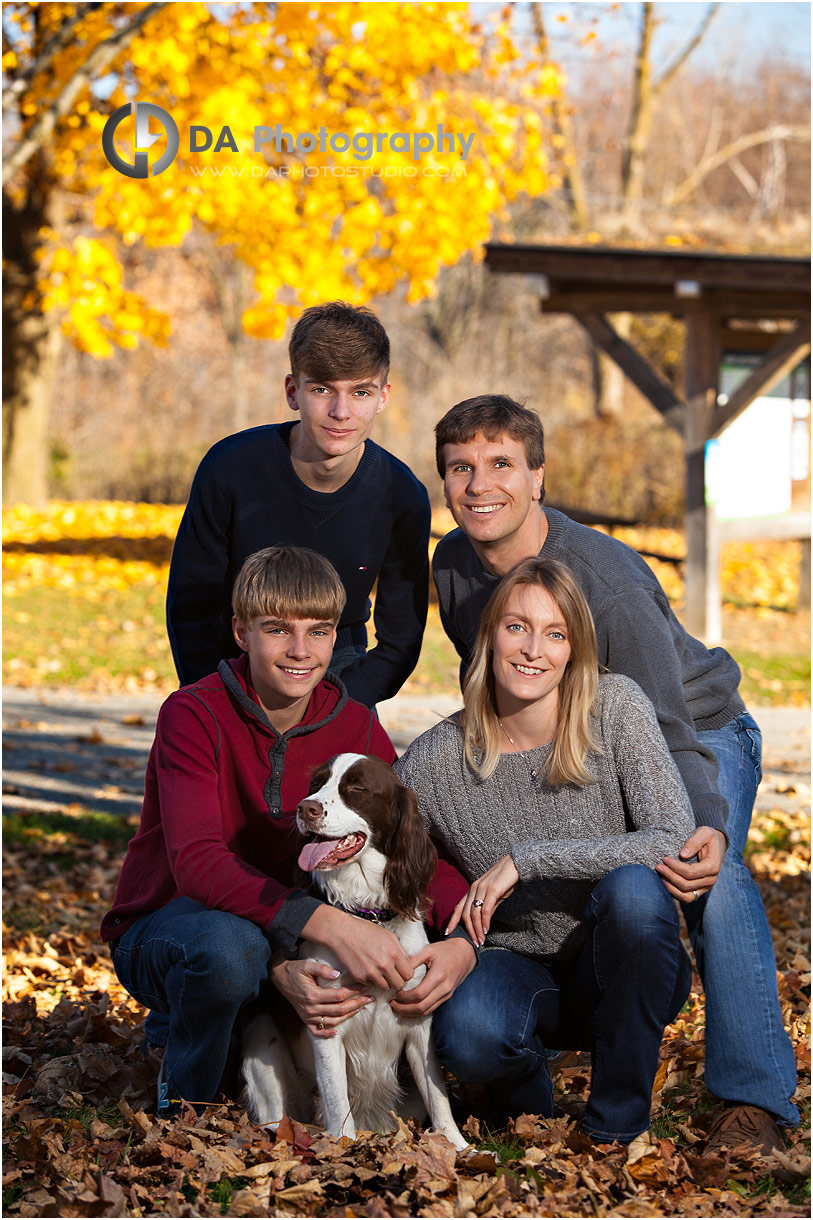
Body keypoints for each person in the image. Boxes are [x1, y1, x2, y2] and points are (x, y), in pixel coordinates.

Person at [429, 393, 799, 1152]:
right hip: (587, 725)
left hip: (693, 723)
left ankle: (751, 1099)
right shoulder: (453, 566)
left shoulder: (606, 582)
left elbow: (662, 721)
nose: (479, 485)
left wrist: (708, 823)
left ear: (537, 478)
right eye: (460, 468)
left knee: (700, 867)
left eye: (500, 464)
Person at [102, 546, 474, 1114]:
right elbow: (198, 863)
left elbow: (399, 834)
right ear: (241, 632)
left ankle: (240, 1041)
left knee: (255, 953)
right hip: (169, 924)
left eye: (319, 631)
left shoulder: (355, 725)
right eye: (278, 630)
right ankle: (183, 1108)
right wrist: (308, 942)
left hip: (275, 928)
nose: (301, 651)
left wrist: (462, 939)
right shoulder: (192, 714)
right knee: (231, 952)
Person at [394, 556, 695, 1143]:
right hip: (512, 965)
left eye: (554, 634)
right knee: (471, 1035)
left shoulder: (614, 707)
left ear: (574, 649)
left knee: (633, 890)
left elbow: (670, 837)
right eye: (517, 627)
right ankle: (531, 1101)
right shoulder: (437, 760)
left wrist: (525, 861)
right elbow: (388, 851)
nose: (534, 649)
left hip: (622, 962)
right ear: (488, 637)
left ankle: (615, 1127)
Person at [166, 302, 431, 709]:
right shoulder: (230, 469)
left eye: (360, 392)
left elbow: (401, 640)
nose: (341, 412)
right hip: (235, 658)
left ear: (383, 396)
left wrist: (340, 708)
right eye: (322, 389)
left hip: (339, 663)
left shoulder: (400, 494)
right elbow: (191, 606)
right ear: (293, 391)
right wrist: (218, 703)